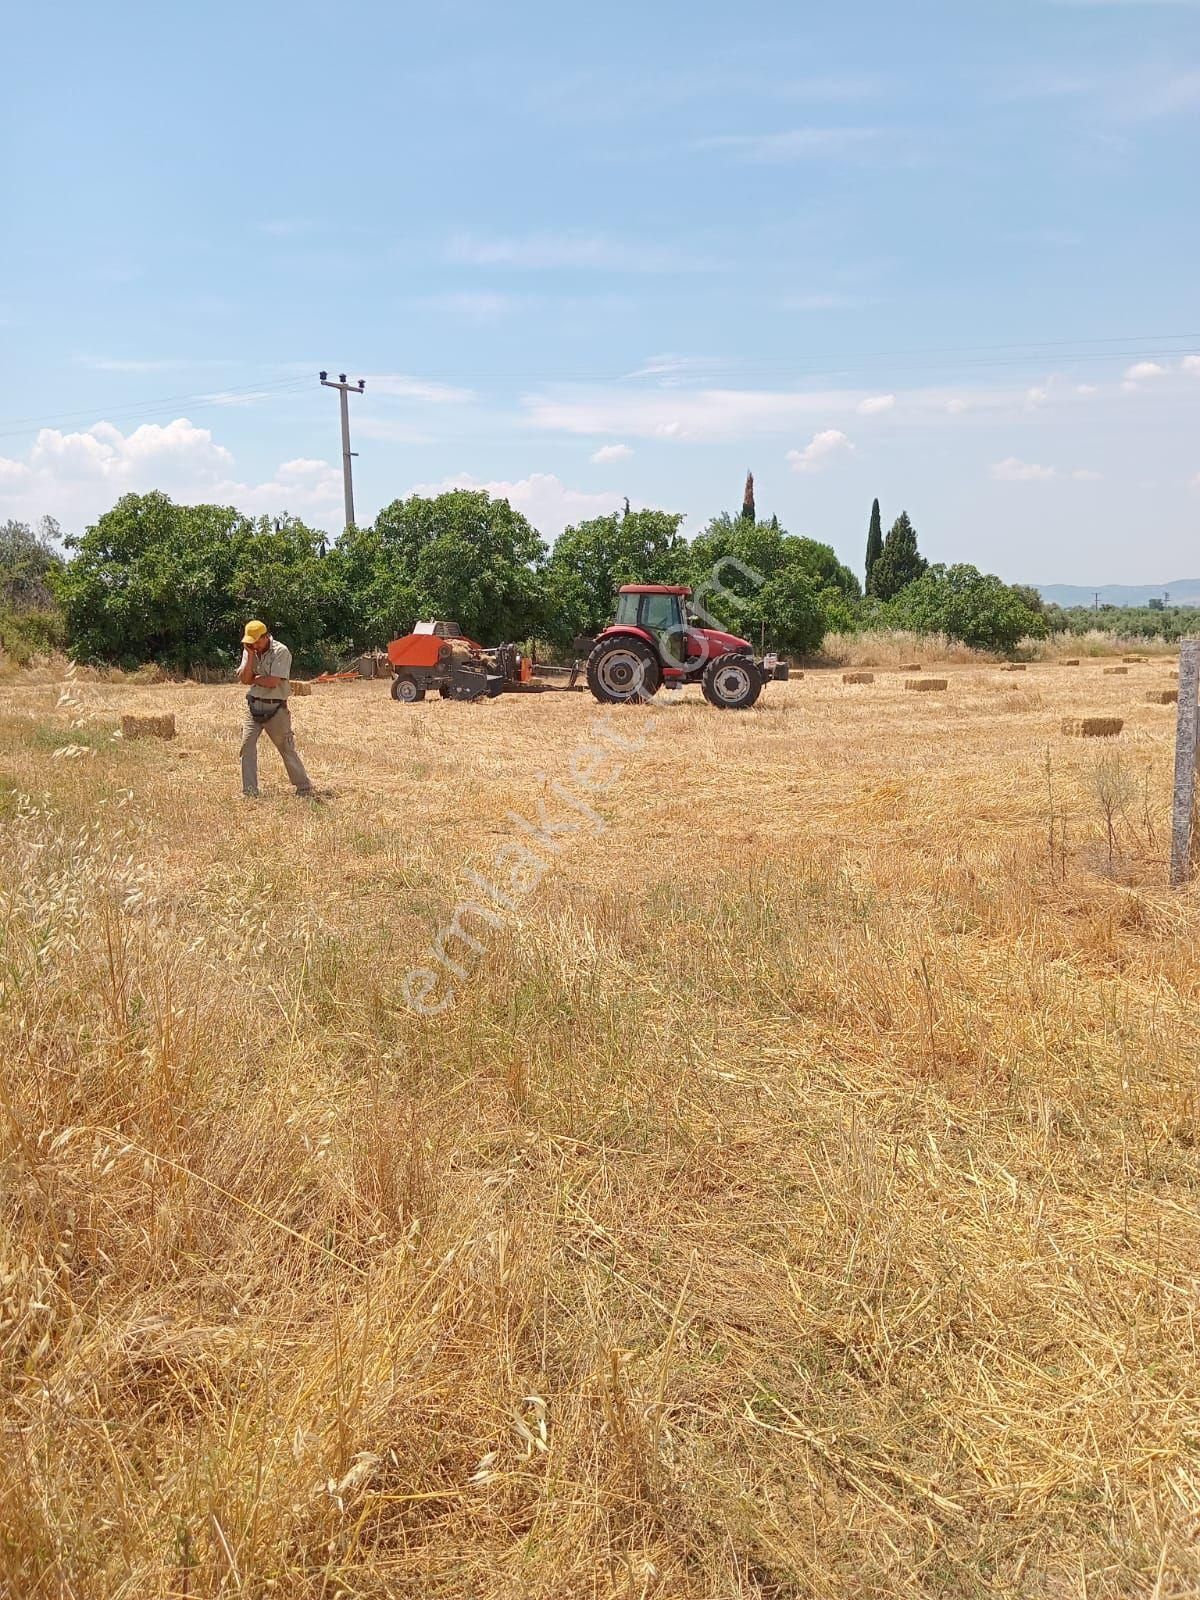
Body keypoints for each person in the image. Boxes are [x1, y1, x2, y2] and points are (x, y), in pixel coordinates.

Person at [237, 620, 314, 798]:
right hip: (253, 705)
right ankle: (249, 792)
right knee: (246, 747)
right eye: (250, 642)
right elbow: (244, 678)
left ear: (266, 637)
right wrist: (249, 658)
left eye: (257, 641)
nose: (254, 645)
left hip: (276, 708)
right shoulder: (249, 650)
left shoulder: (281, 651)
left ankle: (303, 787)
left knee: (286, 748)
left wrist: (253, 679)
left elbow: (273, 682)